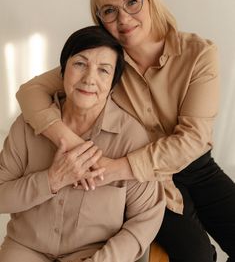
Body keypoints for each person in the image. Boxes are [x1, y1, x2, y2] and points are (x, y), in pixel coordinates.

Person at [15, 0, 235, 262]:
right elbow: (29, 92)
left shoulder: (198, 54)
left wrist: (110, 169)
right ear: (100, 20)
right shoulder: (105, 64)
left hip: (194, 168)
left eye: (132, 2)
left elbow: (193, 139)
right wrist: (69, 141)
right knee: (195, 254)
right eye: (109, 10)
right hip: (148, 182)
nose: (123, 18)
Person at [0, 26, 165, 262]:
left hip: (94, 253)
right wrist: (51, 180)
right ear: (62, 70)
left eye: (103, 71)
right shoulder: (26, 126)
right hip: (26, 248)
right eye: (80, 64)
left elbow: (145, 220)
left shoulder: (131, 137)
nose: (89, 79)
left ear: (113, 83)